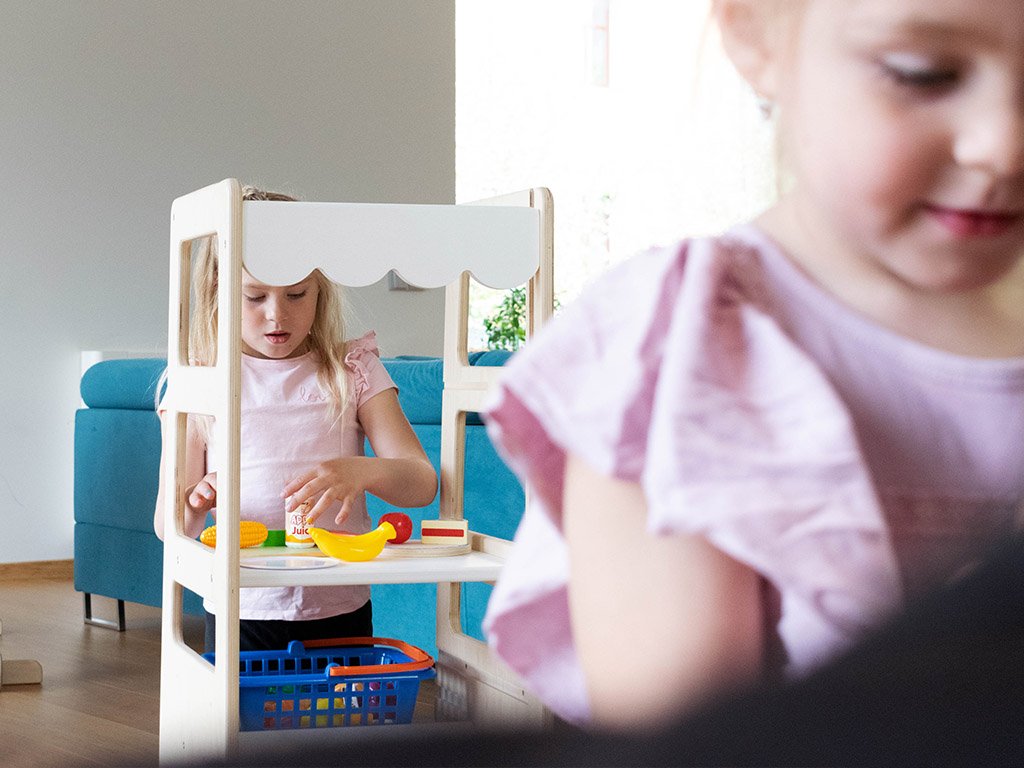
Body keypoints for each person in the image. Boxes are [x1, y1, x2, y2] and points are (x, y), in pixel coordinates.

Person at [481, 0, 1024, 730]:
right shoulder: (677, 353)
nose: (1003, 147)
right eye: (922, 73)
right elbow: (683, 744)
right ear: (757, 37)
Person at [153, 186, 437, 653]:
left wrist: (363, 471)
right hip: (242, 602)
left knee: (336, 702)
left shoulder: (353, 369)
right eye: (254, 296)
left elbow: (421, 482)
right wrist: (197, 503)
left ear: (320, 289)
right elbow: (170, 525)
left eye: (296, 294)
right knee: (245, 703)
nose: (276, 315)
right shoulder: (199, 381)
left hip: (339, 601)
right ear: (219, 292)